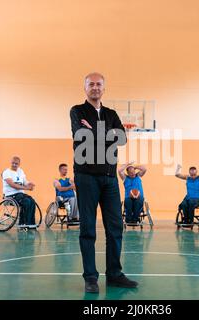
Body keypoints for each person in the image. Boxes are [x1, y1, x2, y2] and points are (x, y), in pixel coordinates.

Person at [70, 72, 137, 293]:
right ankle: (90, 277)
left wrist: (95, 131)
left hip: (109, 178)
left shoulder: (111, 113)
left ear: (104, 89)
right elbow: (81, 136)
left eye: (99, 84)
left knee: (115, 227)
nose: (95, 87)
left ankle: (115, 274)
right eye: (91, 84)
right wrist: (104, 134)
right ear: (85, 88)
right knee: (88, 228)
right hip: (86, 176)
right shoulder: (77, 111)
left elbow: (123, 139)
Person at [2, 156, 37, 229]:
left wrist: (29, 184)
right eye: (13, 163)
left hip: (20, 194)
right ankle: (22, 223)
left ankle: (30, 223)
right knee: (26, 202)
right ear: (10, 163)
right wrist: (26, 188)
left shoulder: (20, 171)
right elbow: (13, 185)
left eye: (16, 163)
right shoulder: (6, 172)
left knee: (32, 201)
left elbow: (25, 181)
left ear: (19, 164)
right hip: (10, 195)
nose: (14, 165)